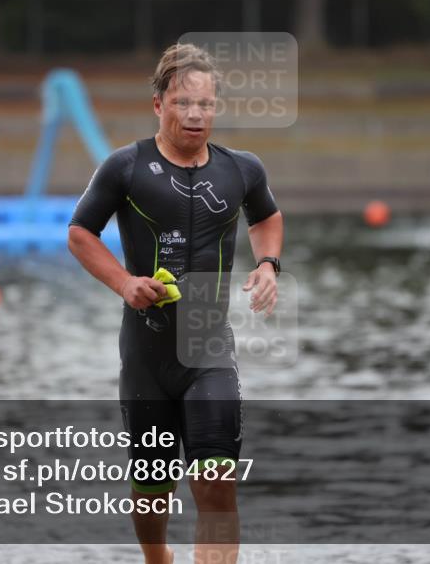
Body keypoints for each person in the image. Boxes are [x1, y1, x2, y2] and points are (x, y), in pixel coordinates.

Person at [68, 42, 284, 564]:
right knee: (152, 489)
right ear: (159, 105)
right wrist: (124, 283)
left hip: (208, 346)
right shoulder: (125, 167)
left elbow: (266, 218)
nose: (195, 115)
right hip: (146, 351)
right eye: (184, 103)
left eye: (206, 104)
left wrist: (268, 264)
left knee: (216, 480)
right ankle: (157, 559)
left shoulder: (242, 170)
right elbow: (80, 233)